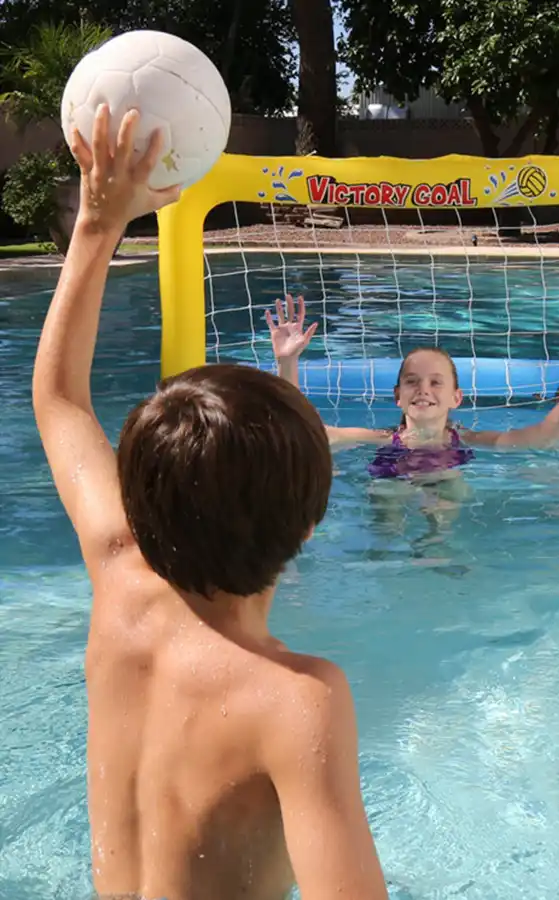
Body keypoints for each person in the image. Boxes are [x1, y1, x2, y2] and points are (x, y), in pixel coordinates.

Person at [32, 105, 388, 900]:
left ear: (138, 502)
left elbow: (58, 401)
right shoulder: (299, 701)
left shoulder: (118, 579)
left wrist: (97, 224)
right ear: (309, 524)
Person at [266, 293, 559, 474]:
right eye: (412, 381)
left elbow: (543, 438)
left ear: (456, 397)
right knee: (389, 500)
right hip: (390, 481)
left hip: (447, 487)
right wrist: (287, 362)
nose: (424, 389)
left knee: (447, 495)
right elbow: (305, 431)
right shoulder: (379, 439)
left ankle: (437, 548)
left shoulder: (468, 440)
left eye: (436, 383)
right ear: (397, 397)